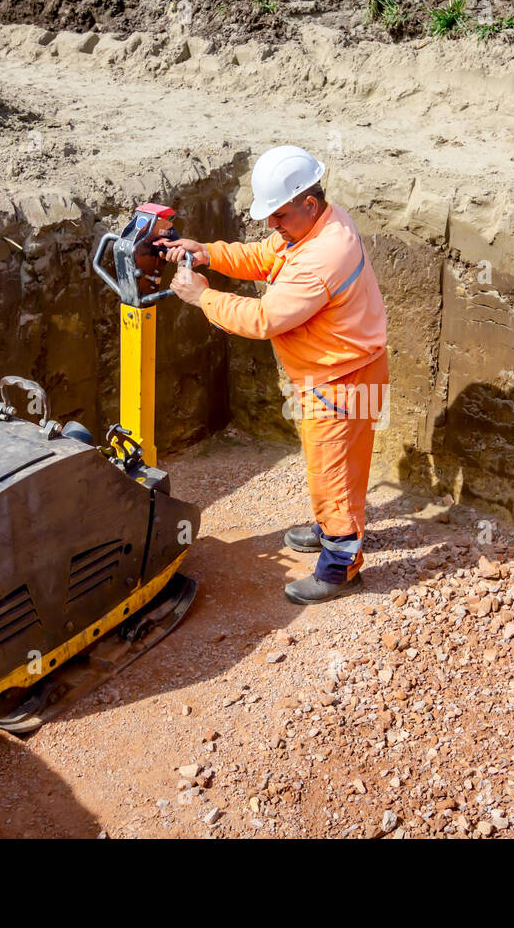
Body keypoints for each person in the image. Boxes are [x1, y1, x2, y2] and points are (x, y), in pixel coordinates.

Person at [157, 145, 389, 605]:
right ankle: (330, 529)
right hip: (345, 371)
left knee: (333, 476)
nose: (272, 225)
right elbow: (267, 256)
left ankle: (340, 568)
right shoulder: (317, 222)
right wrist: (208, 254)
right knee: (337, 468)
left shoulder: (325, 255)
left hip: (342, 382)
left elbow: (264, 319)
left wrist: (202, 297)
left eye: (279, 215)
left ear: (307, 202)